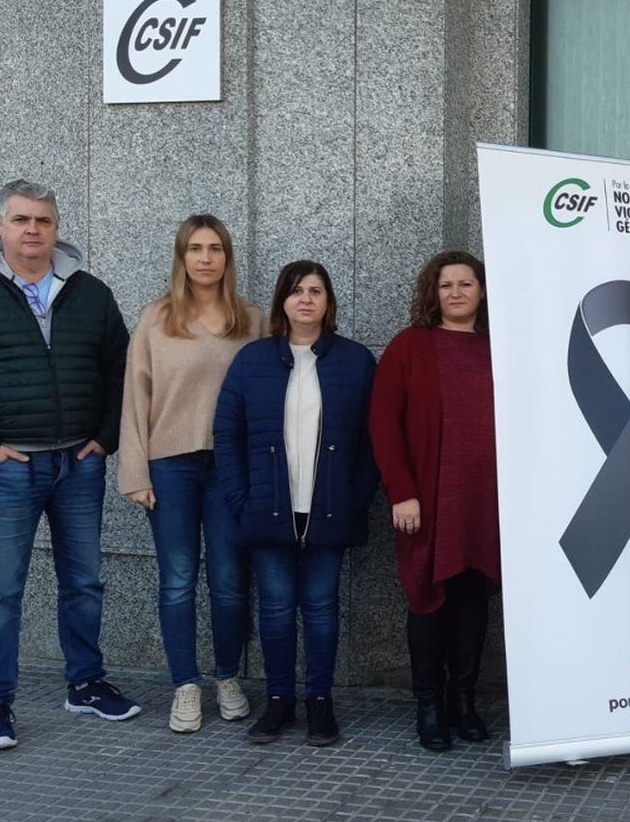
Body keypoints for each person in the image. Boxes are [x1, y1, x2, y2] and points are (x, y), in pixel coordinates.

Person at [0, 179, 140, 751]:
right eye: (21, 220)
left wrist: (104, 437)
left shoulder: (90, 292)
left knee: (85, 582)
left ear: (57, 228)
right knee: (1, 591)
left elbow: (121, 368)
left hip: (79, 463)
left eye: (43, 220)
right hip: (7, 468)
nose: (33, 230)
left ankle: (86, 684)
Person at [213, 260, 377, 747]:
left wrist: (356, 498)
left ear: (329, 303)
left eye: (316, 291)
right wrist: (242, 502)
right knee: (277, 609)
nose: (306, 299)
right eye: (296, 290)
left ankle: (320, 703)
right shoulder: (252, 360)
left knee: (322, 608)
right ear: (282, 300)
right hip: (268, 510)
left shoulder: (355, 360)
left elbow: (373, 441)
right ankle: (279, 701)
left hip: (328, 509)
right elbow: (227, 434)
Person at [119, 215, 264, 733]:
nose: (205, 258)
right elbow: (136, 398)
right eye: (195, 249)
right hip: (171, 465)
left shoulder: (252, 320)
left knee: (228, 580)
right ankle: (185, 684)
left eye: (215, 249)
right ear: (181, 258)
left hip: (230, 467)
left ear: (228, 258)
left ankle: (227, 676)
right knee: (178, 579)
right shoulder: (157, 319)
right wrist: (136, 471)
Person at [369, 250, 500, 752]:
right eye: (446, 285)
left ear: (482, 292)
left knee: (471, 599)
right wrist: (402, 492)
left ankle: (463, 701)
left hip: (484, 502)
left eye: (466, 284)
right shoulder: (410, 346)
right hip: (427, 500)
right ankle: (429, 706)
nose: (457, 293)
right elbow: (384, 424)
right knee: (428, 599)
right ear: (433, 293)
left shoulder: (500, 347)